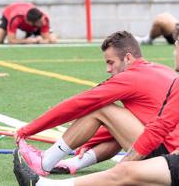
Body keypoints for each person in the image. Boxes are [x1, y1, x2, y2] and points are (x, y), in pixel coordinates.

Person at [13, 32, 179, 186]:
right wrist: (90, 141)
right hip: (170, 150)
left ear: (128, 58)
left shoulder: (130, 77)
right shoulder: (161, 69)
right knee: (111, 119)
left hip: (166, 158)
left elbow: (79, 104)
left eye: (111, 62)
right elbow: (140, 121)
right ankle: (73, 163)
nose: (108, 69)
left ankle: (44, 161)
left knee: (101, 108)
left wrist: (27, 130)